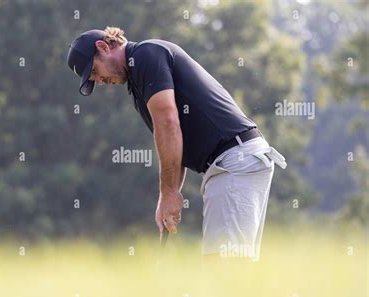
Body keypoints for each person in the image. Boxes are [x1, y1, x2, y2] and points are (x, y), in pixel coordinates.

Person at [67, 27, 287, 262]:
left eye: (94, 71)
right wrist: (169, 197)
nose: (99, 81)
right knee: (236, 266)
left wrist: (169, 191)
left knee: (225, 266)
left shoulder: (145, 55)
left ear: (104, 47)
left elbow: (168, 122)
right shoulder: (139, 78)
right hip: (239, 159)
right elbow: (174, 139)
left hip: (234, 161)